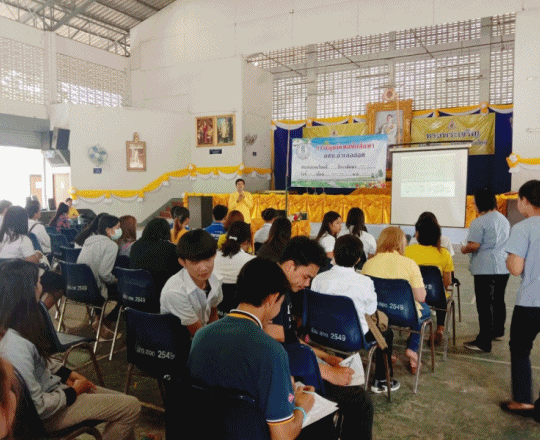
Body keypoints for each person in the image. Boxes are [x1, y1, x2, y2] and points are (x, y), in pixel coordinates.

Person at [188, 258, 332, 440]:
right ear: (272, 299)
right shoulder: (271, 351)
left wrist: (281, 386)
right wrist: (301, 407)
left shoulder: (201, 335)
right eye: (280, 303)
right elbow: (282, 436)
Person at [0, 260, 140, 440]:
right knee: (131, 407)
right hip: (47, 417)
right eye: (38, 281)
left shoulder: (16, 323)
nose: (41, 285)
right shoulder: (15, 344)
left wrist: (68, 374)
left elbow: (39, 363)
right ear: (27, 291)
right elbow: (38, 408)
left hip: (53, 392)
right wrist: (73, 392)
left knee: (123, 403)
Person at [268, 236, 374, 440]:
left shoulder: (283, 288)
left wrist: (325, 356)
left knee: (353, 394)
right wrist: (325, 372)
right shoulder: (271, 291)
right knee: (360, 401)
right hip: (286, 374)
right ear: (290, 266)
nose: (307, 284)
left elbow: (288, 337)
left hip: (296, 365)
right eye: (306, 277)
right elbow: (269, 338)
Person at [312, 235, 399, 394]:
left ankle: (344, 362)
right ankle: (381, 381)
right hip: (352, 337)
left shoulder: (318, 278)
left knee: (338, 321)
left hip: (320, 334)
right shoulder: (364, 283)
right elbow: (371, 311)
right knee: (386, 333)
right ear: (359, 259)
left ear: (334, 254)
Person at [362, 226, 428, 374]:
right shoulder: (409, 264)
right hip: (404, 315)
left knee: (388, 313)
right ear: (401, 243)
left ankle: (386, 349)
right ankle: (412, 348)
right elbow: (420, 297)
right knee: (423, 309)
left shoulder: (368, 264)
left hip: (377, 314)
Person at [501, 180, 540, 419]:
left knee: (520, 348)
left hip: (531, 301)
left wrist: (508, 259)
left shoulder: (523, 228)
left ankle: (523, 400)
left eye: (519, 199)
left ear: (525, 200)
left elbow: (515, 268)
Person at [461, 189, 510, 353]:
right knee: (498, 300)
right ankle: (498, 331)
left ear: (480, 203)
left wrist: (463, 249)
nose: (473, 204)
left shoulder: (479, 222)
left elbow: (474, 245)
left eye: (474, 202)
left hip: (485, 268)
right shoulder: (503, 220)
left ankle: (484, 342)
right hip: (503, 266)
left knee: (484, 304)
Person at [160, 229, 223, 338]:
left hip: (202, 334)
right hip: (179, 341)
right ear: (182, 262)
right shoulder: (176, 291)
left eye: (208, 259)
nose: (203, 268)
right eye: (195, 262)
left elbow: (213, 316)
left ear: (214, 255)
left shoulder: (215, 279)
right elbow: (197, 333)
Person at [0, 206, 64, 309]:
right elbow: (32, 262)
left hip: (4, 280)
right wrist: (37, 256)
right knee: (61, 282)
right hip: (23, 280)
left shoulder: (2, 237)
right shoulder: (23, 239)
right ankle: (41, 311)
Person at [405, 217, 454, 344]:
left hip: (412, 295)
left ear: (417, 234)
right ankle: (440, 329)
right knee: (442, 296)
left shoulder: (408, 251)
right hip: (436, 297)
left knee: (413, 297)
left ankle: (411, 329)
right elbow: (447, 282)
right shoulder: (444, 253)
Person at [77, 215, 121, 339]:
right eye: (117, 227)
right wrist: (116, 280)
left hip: (77, 286)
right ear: (108, 230)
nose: (119, 230)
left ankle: (99, 321)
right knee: (124, 291)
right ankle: (105, 322)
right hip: (94, 290)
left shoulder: (89, 240)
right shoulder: (111, 245)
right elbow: (104, 274)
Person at [130, 218, 182, 296]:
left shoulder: (136, 245)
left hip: (135, 291)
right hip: (160, 293)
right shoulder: (171, 248)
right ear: (166, 231)